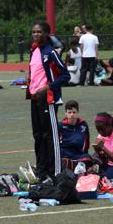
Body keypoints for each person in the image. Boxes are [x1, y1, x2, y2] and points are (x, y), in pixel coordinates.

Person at [26, 20, 68, 181]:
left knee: (50, 135)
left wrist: (47, 87)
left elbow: (65, 75)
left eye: (39, 32)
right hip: (35, 98)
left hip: (48, 99)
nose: (36, 34)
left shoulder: (50, 52)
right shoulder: (34, 50)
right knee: (38, 135)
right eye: (34, 32)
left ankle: (55, 172)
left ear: (46, 34)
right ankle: (41, 170)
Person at [58, 100, 92, 171]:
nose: (72, 115)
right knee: (63, 161)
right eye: (69, 112)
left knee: (88, 158)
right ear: (65, 113)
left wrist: (85, 153)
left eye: (74, 112)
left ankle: (73, 165)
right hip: (65, 155)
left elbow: (86, 142)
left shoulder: (83, 125)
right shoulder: (60, 126)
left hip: (78, 155)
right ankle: (76, 166)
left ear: (77, 112)